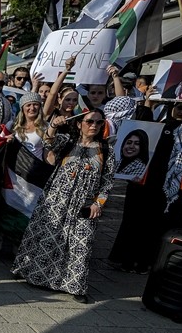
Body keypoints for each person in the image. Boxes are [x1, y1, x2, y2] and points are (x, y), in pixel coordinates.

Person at [12, 111, 115, 304]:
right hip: (57, 199)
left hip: (84, 203)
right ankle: (34, 275)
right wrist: (53, 126)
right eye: (90, 121)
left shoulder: (106, 149)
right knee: (48, 237)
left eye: (99, 122)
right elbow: (48, 147)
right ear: (79, 124)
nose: (94, 125)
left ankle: (75, 286)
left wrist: (98, 203)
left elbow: (108, 181)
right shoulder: (66, 141)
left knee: (80, 244)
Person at [107, 98, 182, 273]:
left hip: (165, 186)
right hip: (141, 182)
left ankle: (144, 262)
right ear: (172, 106)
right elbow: (139, 127)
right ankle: (125, 259)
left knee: (153, 226)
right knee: (133, 222)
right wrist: (148, 103)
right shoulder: (159, 125)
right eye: (180, 107)